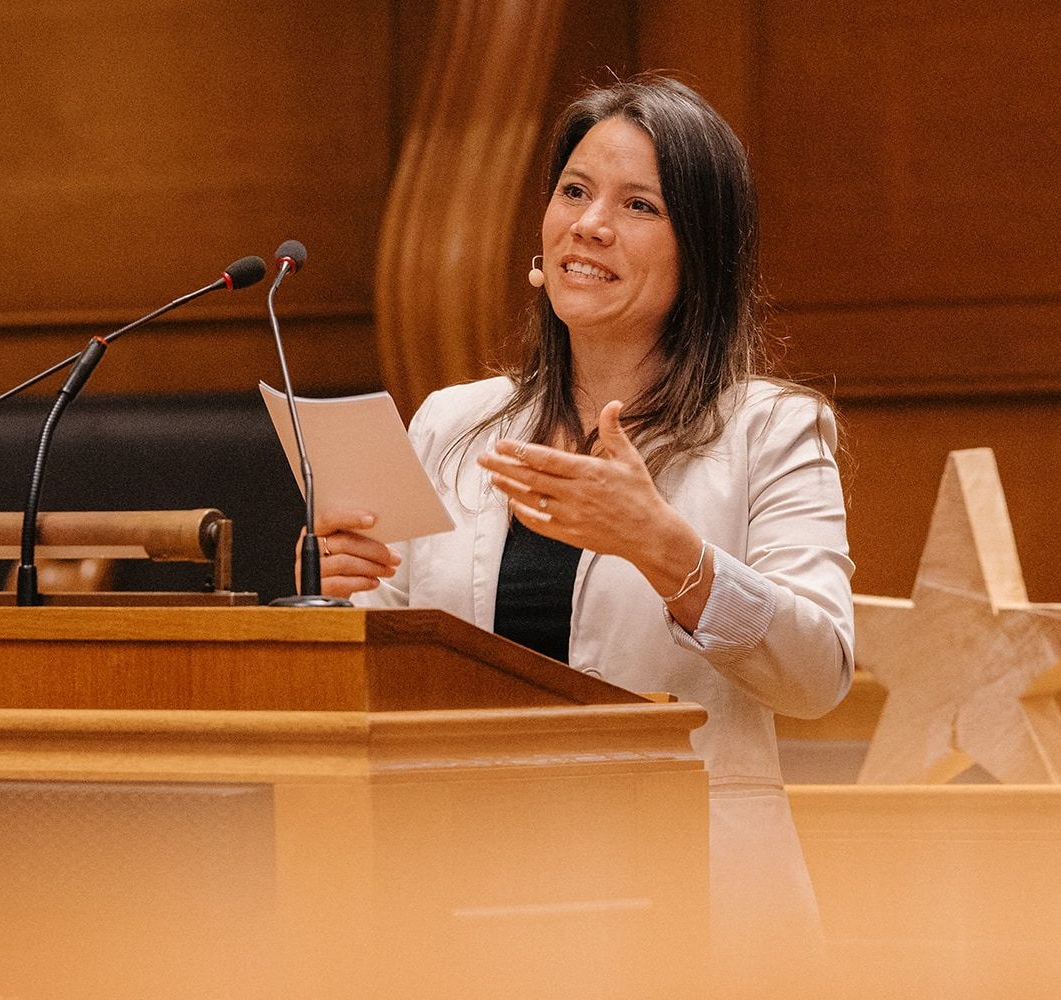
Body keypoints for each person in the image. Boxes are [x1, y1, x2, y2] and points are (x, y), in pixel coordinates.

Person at [313, 76, 854, 984]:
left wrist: (662, 547)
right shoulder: (452, 423)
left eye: (639, 205)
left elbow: (819, 673)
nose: (591, 225)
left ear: (700, 254)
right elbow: (390, 672)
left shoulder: (770, 430)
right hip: (468, 896)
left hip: (687, 900)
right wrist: (335, 596)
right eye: (575, 191)